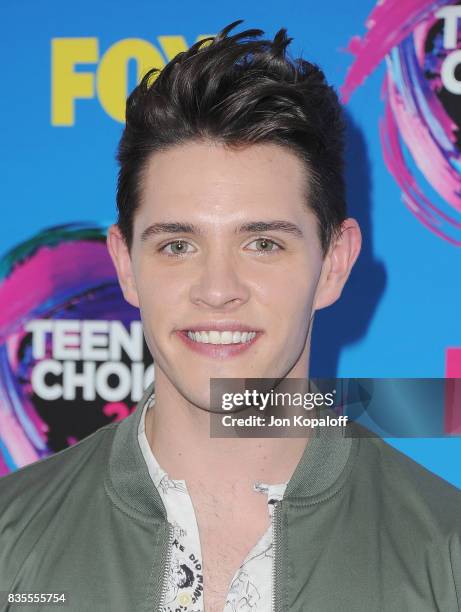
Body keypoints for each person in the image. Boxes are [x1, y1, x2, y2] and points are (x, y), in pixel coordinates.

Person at [0, 19, 460, 612]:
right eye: (177, 245)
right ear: (125, 265)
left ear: (334, 264)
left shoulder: (445, 559)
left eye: (263, 244)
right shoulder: (11, 544)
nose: (217, 291)